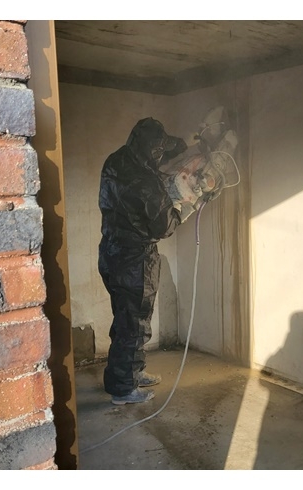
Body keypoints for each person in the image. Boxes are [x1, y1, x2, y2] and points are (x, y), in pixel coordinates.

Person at [98, 117, 188, 405]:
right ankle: (124, 389)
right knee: (134, 324)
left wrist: (181, 148)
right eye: (159, 150)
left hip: (111, 252)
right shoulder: (148, 182)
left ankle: (130, 372)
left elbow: (160, 155)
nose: (161, 155)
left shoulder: (116, 160)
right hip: (135, 260)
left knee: (124, 319)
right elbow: (164, 227)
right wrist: (181, 207)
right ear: (152, 149)